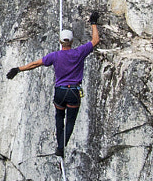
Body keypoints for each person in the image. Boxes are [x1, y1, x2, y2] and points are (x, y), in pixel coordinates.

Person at [7, 14, 101, 157]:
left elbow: (35, 64)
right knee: (70, 121)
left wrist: (18, 69)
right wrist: (93, 23)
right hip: (74, 91)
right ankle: (61, 148)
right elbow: (95, 41)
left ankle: (59, 145)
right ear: (72, 41)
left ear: (60, 41)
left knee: (59, 117)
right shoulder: (79, 52)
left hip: (60, 92)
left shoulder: (54, 56)